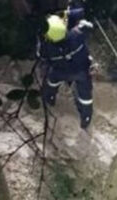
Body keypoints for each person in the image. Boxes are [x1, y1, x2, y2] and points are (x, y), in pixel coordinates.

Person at [37, 1, 94, 129]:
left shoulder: (47, 48)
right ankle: (86, 118)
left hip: (60, 72)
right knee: (85, 95)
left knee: (51, 82)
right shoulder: (76, 35)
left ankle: (50, 98)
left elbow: (41, 56)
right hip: (81, 72)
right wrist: (71, 12)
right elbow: (87, 23)